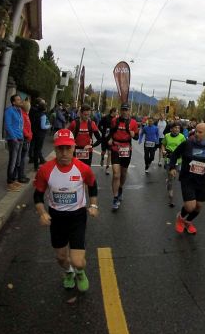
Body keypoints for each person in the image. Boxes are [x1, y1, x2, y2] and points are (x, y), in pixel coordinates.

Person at [33, 129, 98, 292]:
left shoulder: (83, 168)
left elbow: (92, 185)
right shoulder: (45, 170)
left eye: (68, 148)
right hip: (56, 218)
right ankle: (69, 273)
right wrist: (42, 213)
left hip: (77, 217)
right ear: (55, 149)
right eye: (60, 148)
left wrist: (94, 205)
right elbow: (38, 195)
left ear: (74, 147)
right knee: (61, 257)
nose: (64, 153)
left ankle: (80, 272)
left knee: (77, 261)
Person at [169, 123, 205, 235]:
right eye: (196, 131)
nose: (196, 134)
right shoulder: (188, 144)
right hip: (187, 179)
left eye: (200, 132)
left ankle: (188, 221)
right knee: (190, 206)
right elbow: (175, 154)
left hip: (200, 181)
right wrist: (172, 167)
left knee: (198, 207)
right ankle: (180, 218)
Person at [108, 103, 139, 211]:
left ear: (129, 111)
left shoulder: (133, 123)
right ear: (120, 111)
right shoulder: (114, 121)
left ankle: (120, 188)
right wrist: (110, 139)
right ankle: (115, 198)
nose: (124, 112)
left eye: (126, 110)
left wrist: (133, 135)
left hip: (126, 149)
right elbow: (111, 132)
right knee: (116, 174)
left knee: (123, 173)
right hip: (116, 148)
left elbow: (137, 137)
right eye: (123, 110)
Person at [162, 121, 186, 208]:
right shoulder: (167, 136)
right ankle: (171, 199)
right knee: (171, 179)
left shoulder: (182, 137)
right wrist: (164, 151)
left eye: (178, 128)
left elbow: (185, 147)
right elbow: (163, 144)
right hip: (169, 159)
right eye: (175, 127)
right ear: (171, 129)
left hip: (178, 160)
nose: (177, 129)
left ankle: (168, 180)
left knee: (176, 174)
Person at [5, 94, 24, 192]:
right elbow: (8, 125)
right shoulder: (9, 111)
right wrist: (14, 138)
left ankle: (14, 179)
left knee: (18, 160)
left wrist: (22, 137)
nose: (20, 101)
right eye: (18, 100)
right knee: (12, 161)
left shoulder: (19, 111)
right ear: (13, 102)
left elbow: (21, 125)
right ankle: (9, 182)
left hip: (20, 138)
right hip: (13, 139)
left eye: (20, 99)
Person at [30, 100, 50, 170]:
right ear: (44, 108)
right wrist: (49, 126)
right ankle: (36, 165)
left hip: (34, 132)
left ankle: (37, 162)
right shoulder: (43, 115)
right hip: (40, 134)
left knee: (35, 149)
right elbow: (43, 126)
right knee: (38, 149)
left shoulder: (35, 113)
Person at [18, 100, 33, 184]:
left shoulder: (25, 115)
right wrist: (28, 135)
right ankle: (20, 176)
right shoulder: (23, 115)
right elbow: (23, 128)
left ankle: (21, 175)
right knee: (22, 158)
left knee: (23, 158)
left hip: (27, 138)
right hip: (25, 138)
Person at [99, 108, 116, 175]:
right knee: (103, 152)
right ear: (112, 112)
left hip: (111, 139)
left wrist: (113, 137)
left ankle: (107, 168)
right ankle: (102, 158)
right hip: (104, 138)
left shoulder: (115, 120)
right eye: (115, 112)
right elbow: (99, 126)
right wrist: (103, 132)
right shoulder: (105, 117)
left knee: (109, 153)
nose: (116, 113)